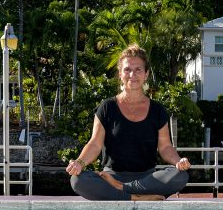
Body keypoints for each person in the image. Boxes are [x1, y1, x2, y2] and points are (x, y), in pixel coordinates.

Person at [66, 45, 190, 200]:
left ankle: (123, 190)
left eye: (138, 69)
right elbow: (95, 144)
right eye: (127, 69)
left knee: (180, 176)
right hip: (111, 177)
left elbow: (165, 147)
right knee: (77, 180)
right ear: (120, 74)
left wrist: (178, 161)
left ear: (146, 74)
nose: (133, 74)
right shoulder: (107, 107)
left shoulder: (157, 110)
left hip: (147, 179)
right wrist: (79, 163)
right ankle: (136, 198)